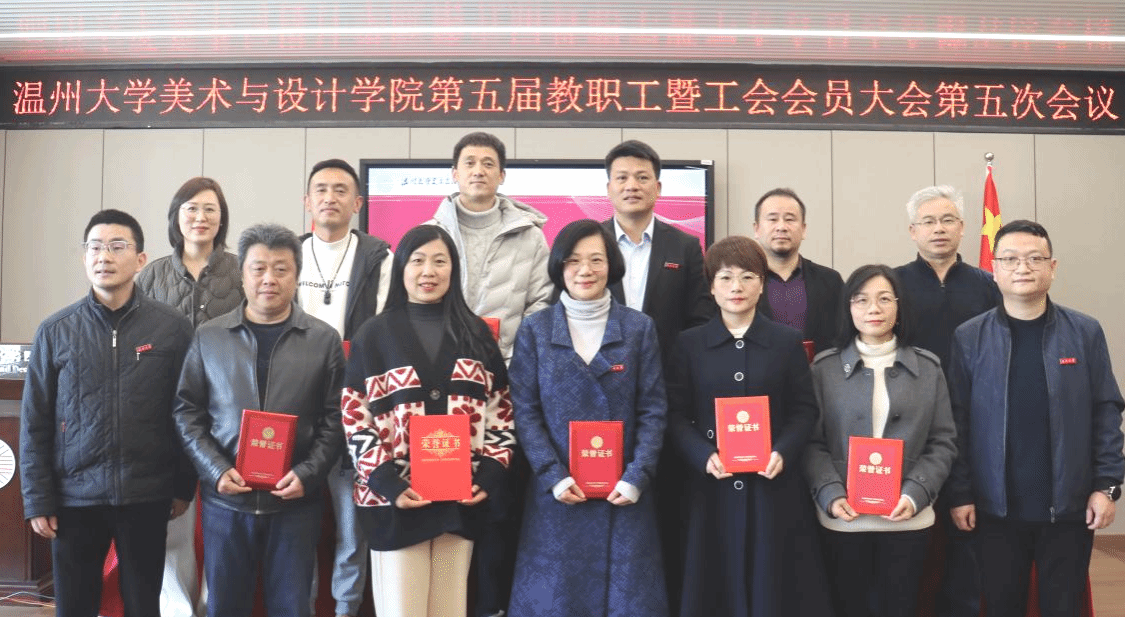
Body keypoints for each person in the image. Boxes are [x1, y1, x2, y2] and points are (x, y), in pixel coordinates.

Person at [21, 209, 194, 616]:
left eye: (117, 246)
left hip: (146, 494)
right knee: (74, 607)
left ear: (140, 259)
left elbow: (187, 411)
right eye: (95, 247)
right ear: (84, 257)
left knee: (142, 606)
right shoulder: (56, 330)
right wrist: (37, 497)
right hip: (74, 497)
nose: (104, 256)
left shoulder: (171, 328)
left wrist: (183, 485)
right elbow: (35, 421)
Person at [947, 220, 1123, 616]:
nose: (1022, 268)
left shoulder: (1085, 332)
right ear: (994, 269)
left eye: (1034, 258)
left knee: (1064, 607)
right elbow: (956, 423)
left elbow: (1106, 411)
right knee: (1001, 606)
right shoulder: (970, 337)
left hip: (1069, 508)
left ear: (1052, 267)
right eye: (1010, 259)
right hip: (994, 509)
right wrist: (960, 494)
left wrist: (1107, 486)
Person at [340, 224, 515, 617]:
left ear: (454, 269)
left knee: (449, 610)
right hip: (396, 500)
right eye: (417, 261)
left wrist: (489, 474)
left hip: (460, 501)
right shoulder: (374, 334)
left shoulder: (477, 334)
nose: (428, 271)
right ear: (402, 268)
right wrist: (386, 481)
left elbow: (501, 411)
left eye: (440, 261)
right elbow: (354, 416)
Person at [175, 223, 345, 617]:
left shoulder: (323, 340)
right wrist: (215, 470)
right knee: (225, 607)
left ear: (296, 275)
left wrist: (308, 473)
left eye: (281, 269)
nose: (269, 279)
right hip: (226, 503)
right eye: (259, 268)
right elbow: (187, 412)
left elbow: (336, 418)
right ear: (243, 275)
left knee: (292, 607)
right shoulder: (209, 337)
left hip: (295, 504)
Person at [508, 219, 668, 616]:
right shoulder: (535, 330)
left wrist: (637, 476)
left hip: (624, 495)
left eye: (596, 259)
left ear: (611, 265)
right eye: (574, 260)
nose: (585, 270)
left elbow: (653, 410)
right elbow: (524, 412)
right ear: (559, 266)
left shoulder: (638, 328)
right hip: (558, 495)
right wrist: (552, 475)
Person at [665, 235, 830, 616]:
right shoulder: (689, 344)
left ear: (762, 284)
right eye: (725, 277)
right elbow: (674, 413)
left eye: (747, 277)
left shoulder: (786, 341)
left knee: (772, 585)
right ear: (711, 286)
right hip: (712, 486)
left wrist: (783, 451)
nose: (736, 287)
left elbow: (804, 410)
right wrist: (702, 455)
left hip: (772, 486)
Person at [428, 132, 551, 615]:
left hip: (505, 389)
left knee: (498, 502)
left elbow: (541, 305)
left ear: (502, 175)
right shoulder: (430, 232)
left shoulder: (530, 236)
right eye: (469, 162)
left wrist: (509, 363)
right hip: (441, 391)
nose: (478, 170)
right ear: (454, 173)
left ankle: (494, 606)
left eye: (487, 163)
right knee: (446, 501)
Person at [804, 264, 957, 616]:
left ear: (900, 307)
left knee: (901, 606)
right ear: (848, 308)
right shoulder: (823, 369)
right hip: (843, 517)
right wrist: (830, 493)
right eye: (861, 300)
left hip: (908, 516)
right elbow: (811, 443)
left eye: (884, 299)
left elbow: (943, 441)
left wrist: (915, 493)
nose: (873, 308)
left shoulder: (928, 368)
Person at [601, 139, 711, 608]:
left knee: (662, 503)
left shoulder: (683, 246)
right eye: (622, 177)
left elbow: (698, 322)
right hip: (599, 400)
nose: (632, 185)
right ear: (608, 187)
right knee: (605, 504)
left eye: (642, 177)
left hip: (662, 400)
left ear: (659, 188)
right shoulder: (590, 245)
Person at [136, 176, 243, 617]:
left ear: (222, 218)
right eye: (191, 209)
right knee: (174, 521)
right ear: (176, 217)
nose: (200, 217)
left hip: (227, 413)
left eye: (210, 209)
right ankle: (177, 608)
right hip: (167, 412)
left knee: (224, 518)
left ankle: (215, 605)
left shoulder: (241, 269)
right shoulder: (153, 274)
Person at [893, 184, 998, 616]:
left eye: (948, 220)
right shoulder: (893, 284)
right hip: (909, 428)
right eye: (929, 221)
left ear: (963, 227)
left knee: (966, 541)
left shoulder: (988, 285)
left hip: (975, 425)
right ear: (912, 231)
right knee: (907, 542)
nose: (939, 229)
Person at [298, 158, 393, 618]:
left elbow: (386, 332)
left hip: (356, 410)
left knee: (352, 530)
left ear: (357, 203)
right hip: (298, 410)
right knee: (298, 528)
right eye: (321, 189)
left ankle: (345, 610)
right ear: (307, 201)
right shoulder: (289, 254)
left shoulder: (380, 258)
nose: (329, 198)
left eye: (340, 190)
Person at [752, 187, 843, 354]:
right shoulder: (743, 283)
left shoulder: (830, 281)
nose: (781, 227)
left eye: (790, 219)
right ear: (756, 229)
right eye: (772, 219)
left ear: (804, 229)